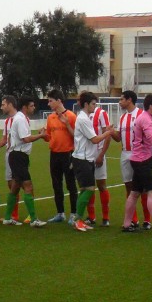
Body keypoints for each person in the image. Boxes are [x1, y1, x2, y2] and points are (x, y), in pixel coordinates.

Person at [121, 93, 152, 235]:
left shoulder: (144, 117)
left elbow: (143, 141)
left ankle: (126, 224)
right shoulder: (146, 119)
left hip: (139, 159)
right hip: (142, 161)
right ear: (151, 106)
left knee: (134, 193)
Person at [70, 91, 117, 232]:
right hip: (82, 159)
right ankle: (77, 219)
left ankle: (79, 220)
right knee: (89, 189)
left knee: (85, 189)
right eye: (93, 104)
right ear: (86, 104)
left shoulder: (84, 117)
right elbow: (95, 139)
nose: (94, 106)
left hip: (85, 158)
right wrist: (108, 132)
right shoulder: (83, 119)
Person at [2, 95, 48, 227]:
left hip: (17, 155)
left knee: (15, 187)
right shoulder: (20, 119)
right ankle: (33, 219)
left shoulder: (19, 118)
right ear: (24, 107)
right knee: (28, 186)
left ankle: (7, 218)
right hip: (18, 156)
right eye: (31, 106)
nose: (34, 108)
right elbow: (25, 139)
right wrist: (41, 135)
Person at [116, 90, 152, 228]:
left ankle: (147, 220)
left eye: (121, 99)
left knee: (143, 188)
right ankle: (134, 219)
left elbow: (149, 135)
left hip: (139, 154)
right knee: (129, 186)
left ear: (129, 100)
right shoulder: (122, 117)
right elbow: (118, 137)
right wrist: (110, 132)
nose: (119, 102)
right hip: (125, 153)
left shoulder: (142, 115)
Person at [43, 90, 78, 224]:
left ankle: (74, 213)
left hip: (67, 154)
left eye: (51, 101)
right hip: (54, 154)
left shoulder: (71, 116)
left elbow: (77, 136)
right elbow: (49, 137)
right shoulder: (50, 118)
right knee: (56, 185)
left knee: (71, 184)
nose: (49, 103)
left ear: (59, 101)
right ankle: (60, 213)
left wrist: (67, 124)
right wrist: (43, 135)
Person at [84, 100, 113, 226]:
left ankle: (106, 217)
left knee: (101, 185)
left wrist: (101, 154)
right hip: (86, 155)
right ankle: (91, 217)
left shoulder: (101, 113)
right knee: (88, 186)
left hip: (98, 153)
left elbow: (108, 135)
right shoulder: (82, 115)